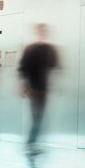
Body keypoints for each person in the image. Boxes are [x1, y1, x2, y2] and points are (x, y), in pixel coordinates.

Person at [19, 23, 59, 154]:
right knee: (37, 117)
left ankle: (32, 143)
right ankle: (30, 144)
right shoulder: (31, 49)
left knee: (39, 118)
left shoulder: (50, 50)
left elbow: (53, 68)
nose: (42, 33)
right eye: (41, 31)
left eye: (44, 31)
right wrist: (25, 87)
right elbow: (23, 69)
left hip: (43, 89)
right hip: (34, 89)